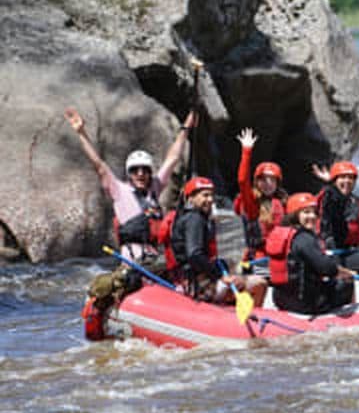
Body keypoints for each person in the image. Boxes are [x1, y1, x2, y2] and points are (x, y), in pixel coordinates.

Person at [64, 106, 196, 267]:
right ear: (129, 173)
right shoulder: (119, 190)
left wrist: (185, 128)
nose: (140, 174)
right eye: (135, 170)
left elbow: (173, 158)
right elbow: (98, 164)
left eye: (145, 170)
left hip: (156, 261)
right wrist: (81, 133)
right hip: (132, 263)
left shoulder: (155, 187)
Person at [169, 176, 267, 305]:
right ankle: (253, 319)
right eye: (204, 195)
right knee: (260, 283)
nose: (210, 200)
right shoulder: (194, 219)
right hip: (199, 286)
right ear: (190, 198)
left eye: (211, 196)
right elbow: (194, 255)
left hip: (194, 280)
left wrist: (217, 265)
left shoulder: (189, 218)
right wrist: (220, 275)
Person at [266, 193, 354, 314]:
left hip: (280, 300)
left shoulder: (282, 233)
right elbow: (326, 268)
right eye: (306, 212)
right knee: (347, 282)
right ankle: (353, 314)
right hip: (306, 303)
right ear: (295, 215)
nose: (312, 216)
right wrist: (340, 271)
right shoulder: (304, 238)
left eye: (314, 212)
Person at [313, 161, 359, 275]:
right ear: (334, 180)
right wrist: (329, 184)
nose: (347, 181)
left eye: (351, 178)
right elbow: (331, 206)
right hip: (331, 254)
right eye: (342, 177)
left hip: (350, 252)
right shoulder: (327, 197)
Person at [233, 128, 287, 270]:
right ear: (256, 182)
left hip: (281, 256)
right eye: (263, 180)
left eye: (272, 180)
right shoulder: (252, 204)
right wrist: (246, 151)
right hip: (259, 258)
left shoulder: (283, 202)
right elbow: (242, 180)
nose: (268, 184)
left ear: (277, 183)